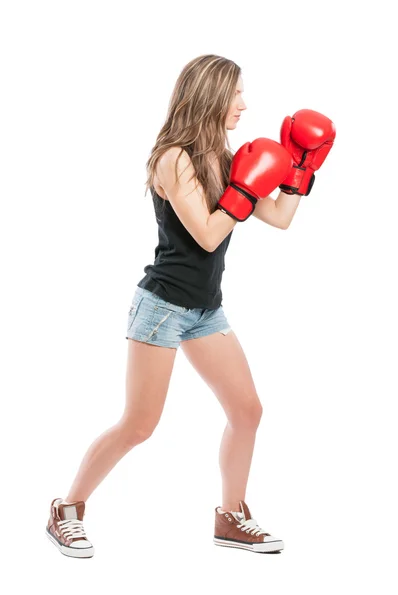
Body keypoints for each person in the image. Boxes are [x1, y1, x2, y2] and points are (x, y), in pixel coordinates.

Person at [45, 54, 335, 558]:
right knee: (139, 424)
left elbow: (281, 218)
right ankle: (66, 510)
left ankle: (231, 516)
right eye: (236, 94)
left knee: (247, 411)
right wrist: (245, 187)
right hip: (162, 306)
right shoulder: (173, 157)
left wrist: (301, 170)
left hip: (205, 309)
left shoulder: (224, 158)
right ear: (211, 95)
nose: (244, 105)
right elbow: (205, 235)